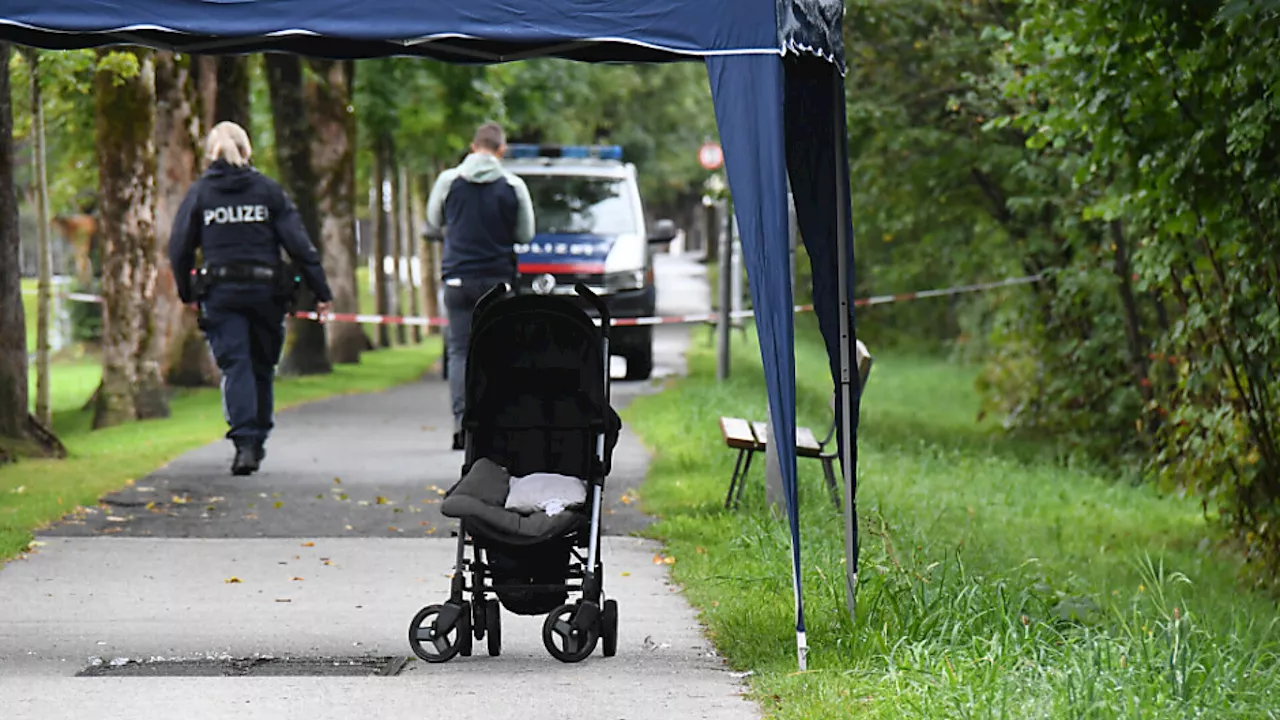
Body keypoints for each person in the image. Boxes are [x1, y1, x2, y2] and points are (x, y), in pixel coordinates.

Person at [168, 121, 334, 476]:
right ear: (247, 151)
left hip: (221, 294)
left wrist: (187, 291)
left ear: (210, 154)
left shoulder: (200, 194)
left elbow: (179, 247)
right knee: (261, 366)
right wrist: (321, 292)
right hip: (266, 294)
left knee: (237, 365)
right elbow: (300, 246)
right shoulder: (268, 191)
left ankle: (245, 442)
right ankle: (256, 440)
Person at [426, 122, 535, 450]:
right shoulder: (513, 185)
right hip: (497, 281)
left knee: (459, 352)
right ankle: (493, 425)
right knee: (497, 352)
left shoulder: (448, 181)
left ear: (473, 147)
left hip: (458, 279)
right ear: (501, 150)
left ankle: (462, 424)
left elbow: (434, 220)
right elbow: (525, 234)